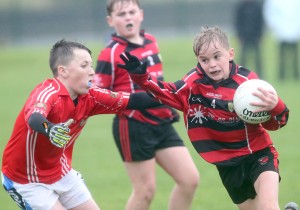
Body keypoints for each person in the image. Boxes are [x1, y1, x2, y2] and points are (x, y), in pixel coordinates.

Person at [118, 26, 290, 210]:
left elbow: (277, 122)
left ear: (230, 54)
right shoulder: (192, 84)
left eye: (217, 56)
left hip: (258, 154)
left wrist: (275, 106)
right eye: (205, 60)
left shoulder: (249, 83)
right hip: (227, 166)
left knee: (268, 207)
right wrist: (141, 77)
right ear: (198, 60)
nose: (212, 64)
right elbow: (165, 92)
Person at [1, 39, 166, 210]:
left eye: (91, 65)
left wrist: (181, 93)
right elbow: (34, 117)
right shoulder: (47, 91)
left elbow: (135, 101)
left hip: (61, 173)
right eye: (84, 65)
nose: (92, 72)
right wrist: (49, 129)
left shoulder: (91, 96)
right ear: (63, 71)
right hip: (26, 181)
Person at [93, 0, 199, 210]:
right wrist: (129, 102)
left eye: (132, 12)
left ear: (141, 14)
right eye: (121, 14)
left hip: (161, 122)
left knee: (189, 180)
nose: (128, 17)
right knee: (145, 192)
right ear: (110, 20)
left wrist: (167, 105)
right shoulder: (110, 53)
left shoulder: (151, 40)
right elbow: (97, 94)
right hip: (133, 125)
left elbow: (157, 81)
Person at [263, 0, 300, 80]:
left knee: (294, 55)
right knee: (281, 55)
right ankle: (281, 74)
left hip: (294, 30)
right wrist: (275, 27)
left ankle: (295, 74)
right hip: (281, 31)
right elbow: (270, 13)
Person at [234, 0, 263, 78]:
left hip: (255, 36)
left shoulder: (257, 7)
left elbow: (260, 22)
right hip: (244, 36)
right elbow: (237, 22)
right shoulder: (241, 7)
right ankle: (241, 74)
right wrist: (240, 35)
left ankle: (260, 74)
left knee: (258, 58)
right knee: (243, 58)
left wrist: (259, 35)